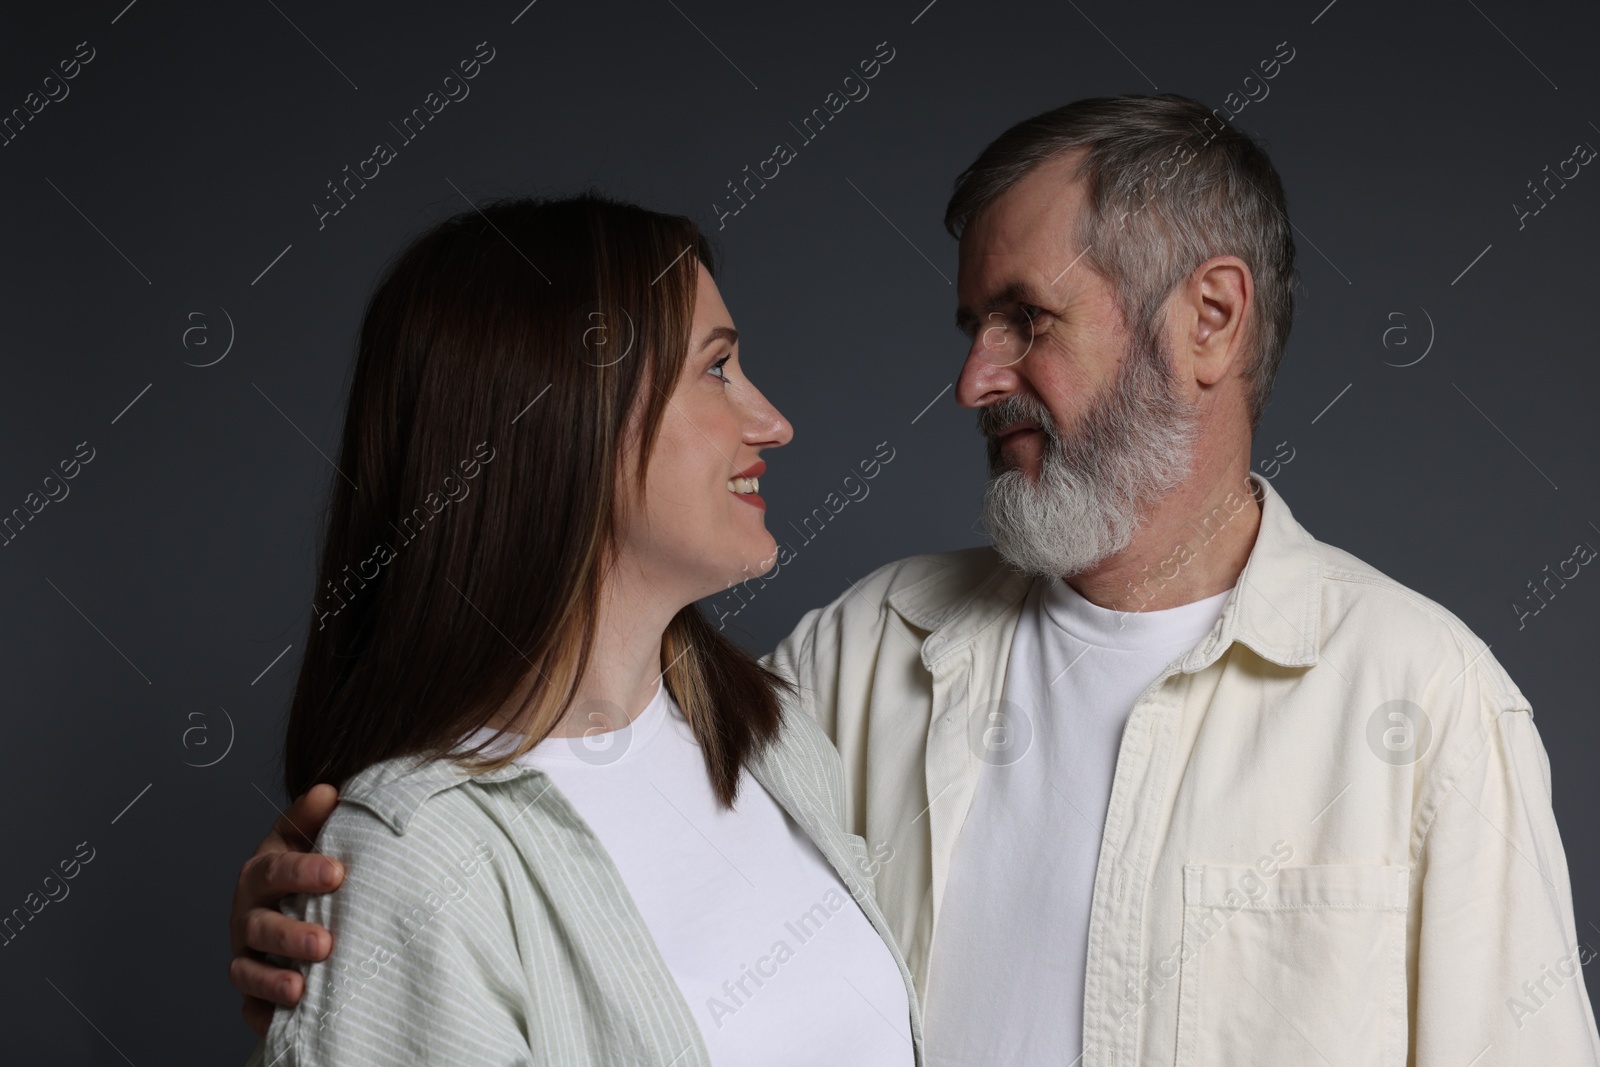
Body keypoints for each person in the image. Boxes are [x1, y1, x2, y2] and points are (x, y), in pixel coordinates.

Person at [231, 95, 1600, 1065]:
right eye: (971, 324)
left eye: (1027, 320)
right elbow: (552, 845)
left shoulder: (1427, 705)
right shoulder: (852, 660)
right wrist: (353, 910)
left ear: (1211, 317)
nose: (972, 378)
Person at [235, 191, 922, 1066]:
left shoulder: (773, 738)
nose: (772, 423)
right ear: (565, 422)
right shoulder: (414, 856)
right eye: (716, 369)